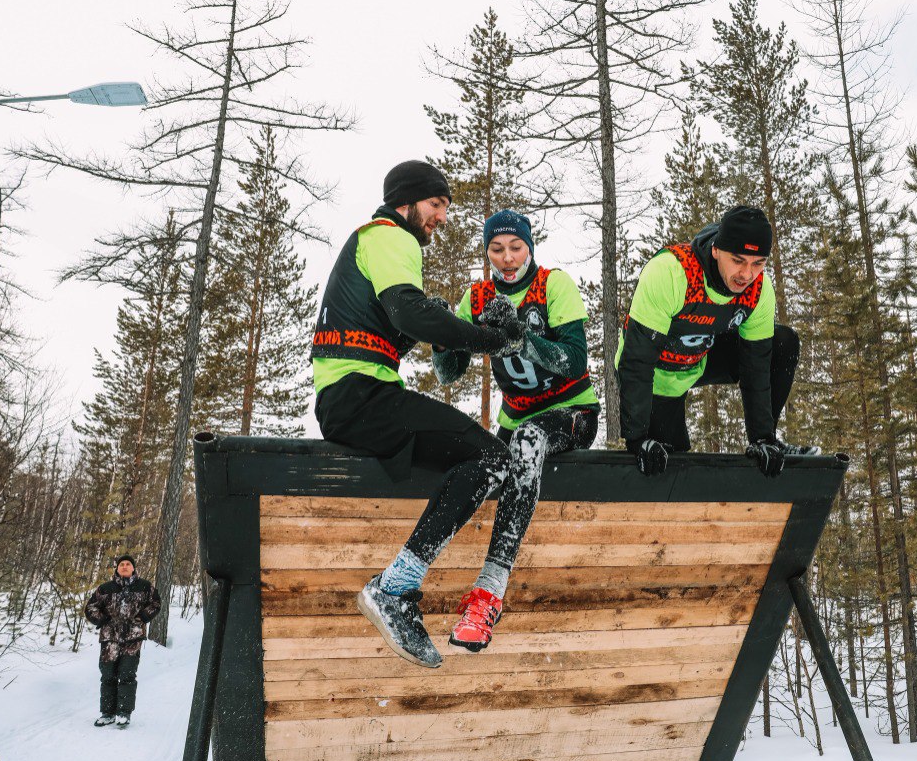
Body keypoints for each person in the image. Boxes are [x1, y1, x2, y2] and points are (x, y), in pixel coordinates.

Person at [311, 160, 527, 668]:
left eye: (446, 208)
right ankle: (394, 588)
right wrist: (491, 339)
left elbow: (399, 324)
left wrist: (424, 324)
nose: (442, 218)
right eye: (436, 205)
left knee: (474, 462)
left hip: (353, 396)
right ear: (406, 202)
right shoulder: (388, 235)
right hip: (359, 394)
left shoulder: (376, 244)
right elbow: (411, 313)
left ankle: (398, 585)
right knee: (495, 459)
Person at [431, 210, 600, 652]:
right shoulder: (479, 295)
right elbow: (449, 373)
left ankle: (488, 594)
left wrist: (520, 337)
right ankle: (417, 574)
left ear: (530, 248)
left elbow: (575, 362)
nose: (507, 259)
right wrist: (439, 333)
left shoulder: (552, 284)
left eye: (516, 248)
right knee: (473, 459)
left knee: (528, 441)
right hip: (516, 418)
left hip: (571, 412)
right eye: (497, 249)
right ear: (486, 252)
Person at [615, 205, 816, 478]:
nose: (747, 274)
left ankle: (766, 443)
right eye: (738, 260)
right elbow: (636, 361)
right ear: (716, 250)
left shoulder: (758, 291)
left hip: (701, 355)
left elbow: (757, 366)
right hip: (656, 371)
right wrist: (637, 439)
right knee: (666, 467)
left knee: (783, 343)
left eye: (758, 263)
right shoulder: (672, 272)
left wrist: (762, 436)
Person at [84, 555, 161, 729]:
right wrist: (103, 620)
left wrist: (142, 617)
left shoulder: (145, 587)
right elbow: (90, 608)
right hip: (109, 638)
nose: (125, 566)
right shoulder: (105, 588)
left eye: (128, 564)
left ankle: (123, 713)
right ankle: (107, 713)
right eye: (121, 564)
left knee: (127, 674)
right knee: (108, 675)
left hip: (133, 638)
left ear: (133, 568)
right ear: (117, 568)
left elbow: (156, 603)